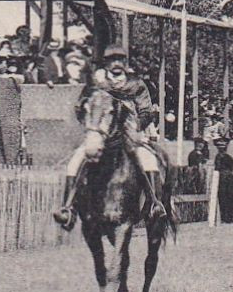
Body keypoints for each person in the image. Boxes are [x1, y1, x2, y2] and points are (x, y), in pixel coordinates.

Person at [54, 46, 171, 229]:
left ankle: (154, 203)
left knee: (148, 160)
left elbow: (146, 110)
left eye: (120, 59)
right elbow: (80, 106)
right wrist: (90, 125)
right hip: (100, 133)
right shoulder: (95, 82)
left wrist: (137, 125)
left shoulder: (136, 84)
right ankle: (68, 209)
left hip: (129, 130)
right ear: (106, 62)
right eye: (112, 59)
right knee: (74, 162)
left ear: (125, 63)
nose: (116, 64)